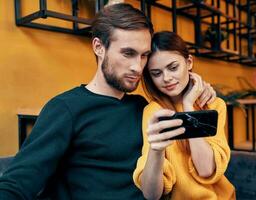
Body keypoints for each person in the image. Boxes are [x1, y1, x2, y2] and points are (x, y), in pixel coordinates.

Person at [0, 3, 216, 200]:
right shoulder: (66, 108)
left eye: (144, 55)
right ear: (99, 47)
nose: (137, 67)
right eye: (128, 53)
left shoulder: (144, 108)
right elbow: (17, 183)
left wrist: (196, 91)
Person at [133, 31, 235, 200]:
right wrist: (156, 149)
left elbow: (206, 169)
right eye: (156, 73)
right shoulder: (154, 112)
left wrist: (188, 106)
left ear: (189, 62)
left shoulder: (215, 105)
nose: (166, 78)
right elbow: (151, 194)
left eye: (173, 67)